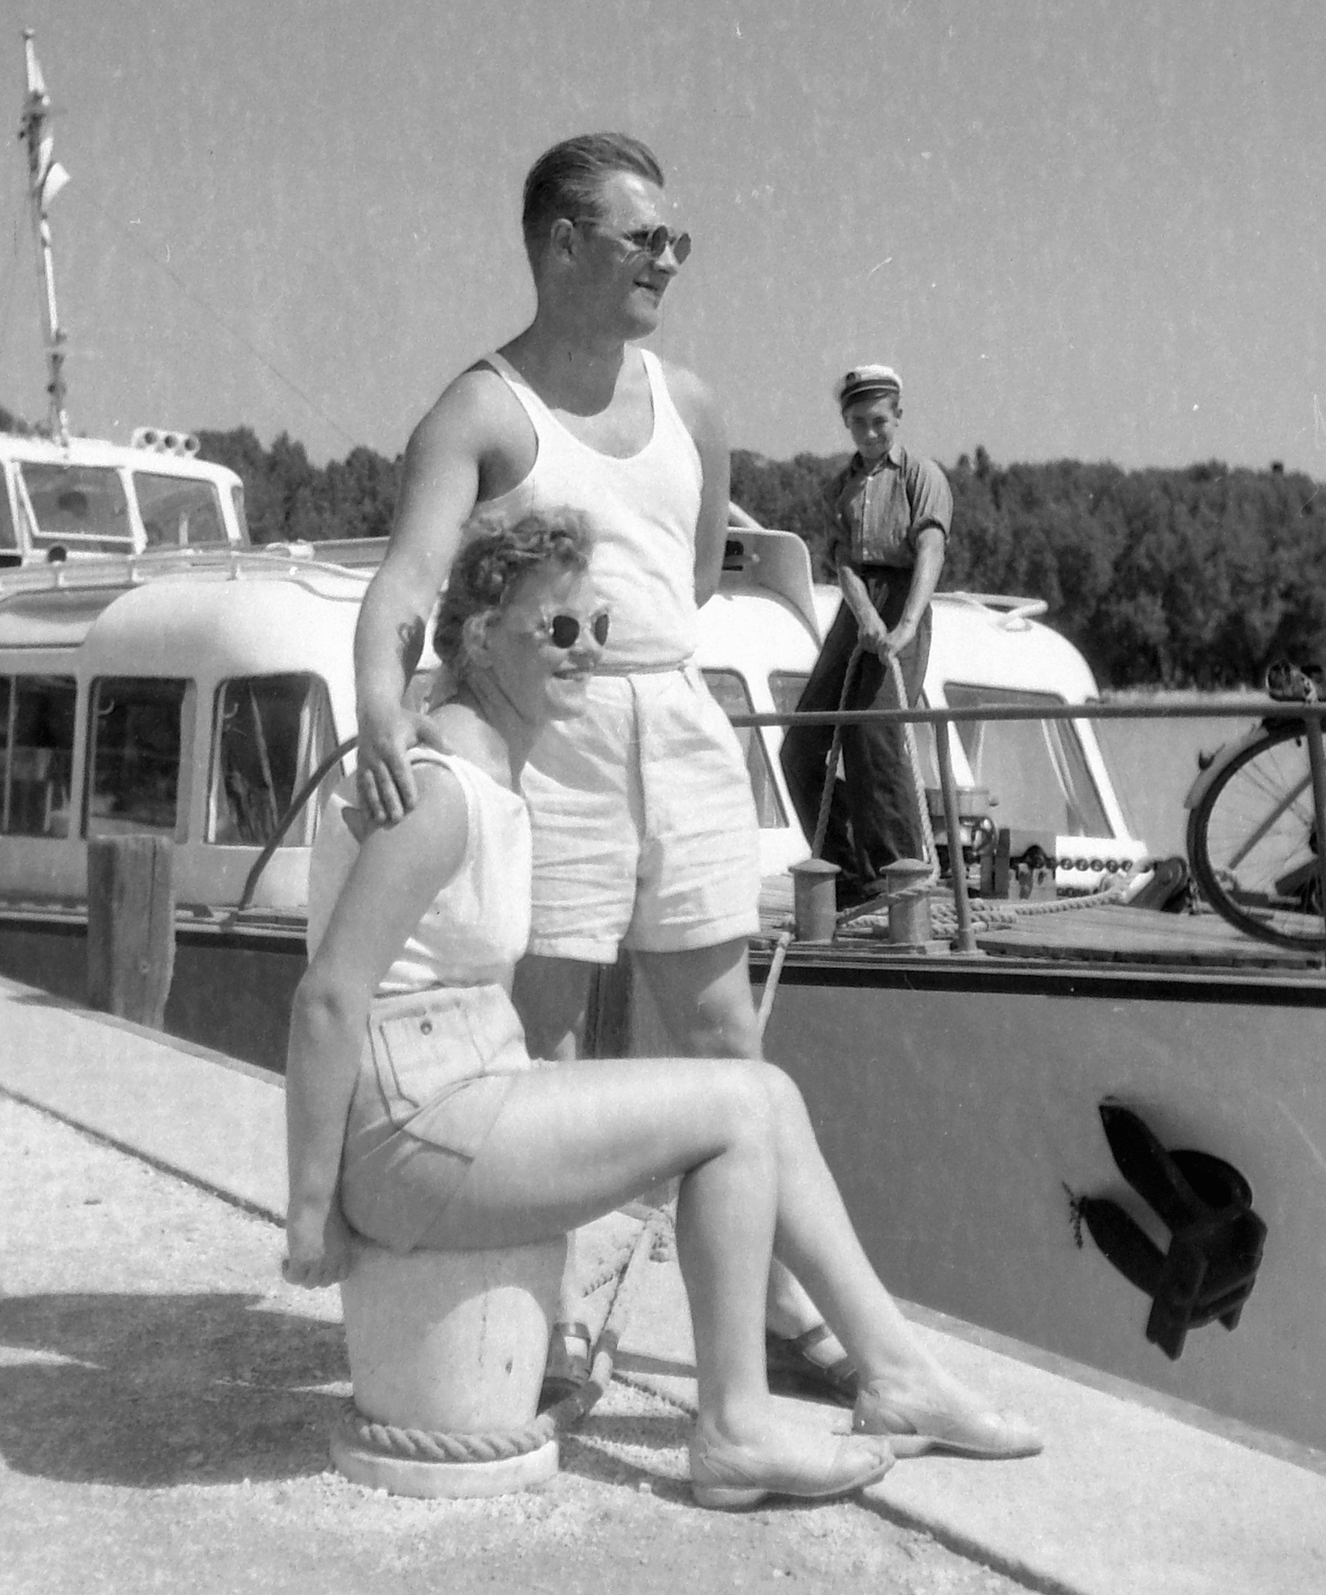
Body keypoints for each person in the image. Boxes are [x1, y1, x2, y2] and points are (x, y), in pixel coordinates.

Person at [282, 513, 1042, 1509]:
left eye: (594, 623)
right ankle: (734, 1430)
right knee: (732, 1112)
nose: (587, 648)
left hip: (455, 1090)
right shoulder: (442, 792)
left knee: (760, 1094)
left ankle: (894, 1371)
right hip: (411, 1125)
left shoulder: (489, 764)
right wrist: (309, 1213)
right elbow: (329, 998)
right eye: (557, 630)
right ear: (477, 637)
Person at [350, 131, 839, 1396]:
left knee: (724, 1025)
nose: (668, 262)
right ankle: (546, 1320)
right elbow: (409, 578)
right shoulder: (480, 411)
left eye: (677, 241)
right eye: (644, 239)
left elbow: (677, 582)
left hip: (673, 721)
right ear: (563, 244)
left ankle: (783, 1311)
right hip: (550, 731)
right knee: (544, 1035)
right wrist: (377, 709)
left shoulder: (694, 407)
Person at [780, 365, 952, 907]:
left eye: (879, 421)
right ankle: (846, 873)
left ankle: (899, 875)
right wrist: (863, 614)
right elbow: (843, 562)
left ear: (897, 416)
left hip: (906, 595)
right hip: (856, 609)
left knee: (874, 736)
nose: (870, 433)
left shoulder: (922, 475)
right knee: (802, 744)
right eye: (858, 423)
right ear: (845, 422)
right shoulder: (842, 486)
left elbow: (931, 550)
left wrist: (903, 625)